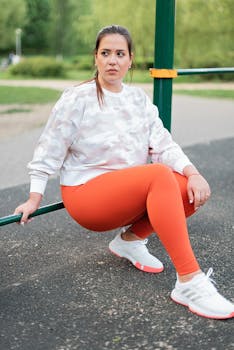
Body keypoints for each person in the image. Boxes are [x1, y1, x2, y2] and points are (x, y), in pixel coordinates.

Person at [14, 24, 234, 320]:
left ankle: (129, 241)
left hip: (125, 193)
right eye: (105, 53)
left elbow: (162, 143)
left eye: (120, 53)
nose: (112, 60)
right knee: (159, 175)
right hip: (87, 196)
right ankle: (189, 281)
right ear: (96, 58)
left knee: (187, 189)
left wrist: (193, 172)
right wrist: (34, 196)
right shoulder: (77, 99)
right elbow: (49, 149)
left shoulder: (138, 99)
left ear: (131, 59)